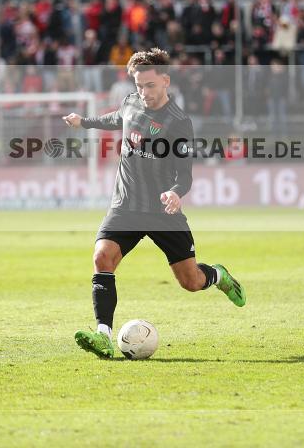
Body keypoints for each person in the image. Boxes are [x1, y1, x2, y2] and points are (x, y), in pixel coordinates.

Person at [63, 48, 246, 359]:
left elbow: (184, 174)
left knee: (190, 281)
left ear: (165, 81)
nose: (143, 92)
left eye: (149, 86)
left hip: (163, 212)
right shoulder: (131, 102)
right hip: (126, 206)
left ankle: (217, 275)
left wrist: (175, 192)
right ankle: (103, 335)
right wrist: (84, 122)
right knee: (102, 258)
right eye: (138, 85)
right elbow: (115, 118)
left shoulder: (178, 122)